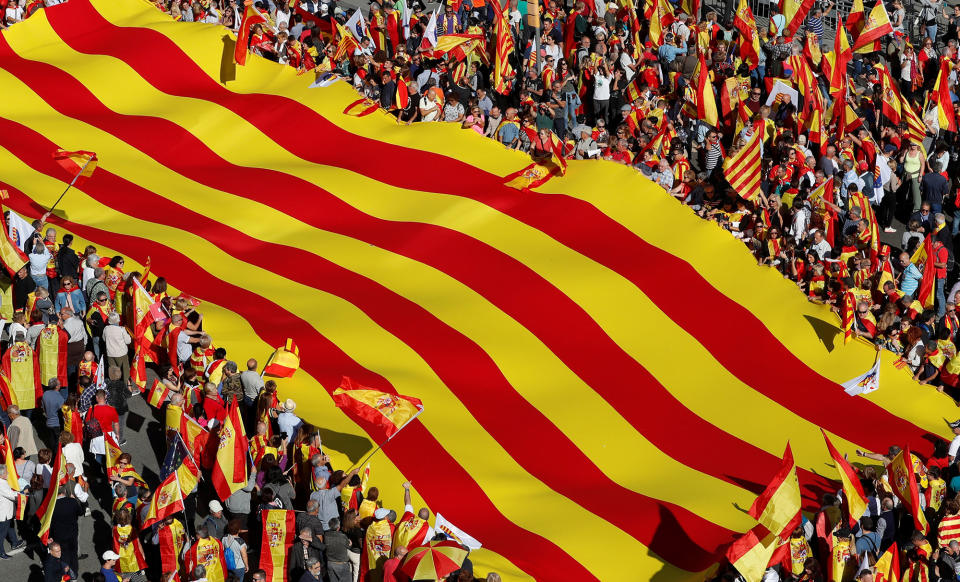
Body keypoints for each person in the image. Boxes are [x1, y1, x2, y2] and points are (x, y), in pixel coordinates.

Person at [0, 465, 24, 560]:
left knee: (10, 527)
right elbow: (12, 495)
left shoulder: (2, 482)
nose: (8, 473)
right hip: (4, 513)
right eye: (6, 472)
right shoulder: (1, 484)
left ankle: (14, 542)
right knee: (2, 534)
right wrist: (23, 494)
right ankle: (1, 552)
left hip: (7, 512)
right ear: (1, 475)